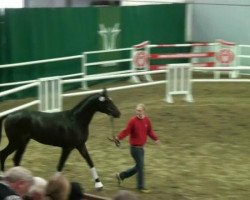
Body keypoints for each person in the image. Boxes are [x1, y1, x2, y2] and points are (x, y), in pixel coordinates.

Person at [115, 103, 160, 193]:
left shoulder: (147, 120)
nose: (138, 112)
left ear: (144, 111)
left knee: (139, 166)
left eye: (140, 110)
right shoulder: (132, 121)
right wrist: (118, 138)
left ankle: (121, 176)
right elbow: (126, 131)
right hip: (134, 148)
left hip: (141, 148)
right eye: (137, 110)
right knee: (141, 167)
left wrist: (156, 139)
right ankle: (141, 187)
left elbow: (149, 131)